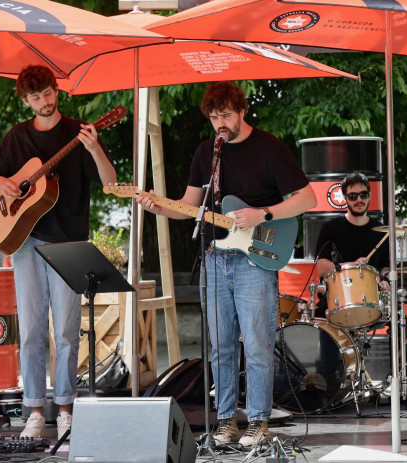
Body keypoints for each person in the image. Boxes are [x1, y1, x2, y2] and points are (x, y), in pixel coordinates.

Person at [137, 81, 316, 447]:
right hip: (215, 259)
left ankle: (258, 420)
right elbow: (189, 205)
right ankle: (224, 420)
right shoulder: (207, 153)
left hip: (255, 261)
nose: (221, 123)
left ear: (242, 111)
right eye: (215, 117)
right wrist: (158, 205)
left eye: (226, 115)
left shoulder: (269, 148)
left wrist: (262, 213)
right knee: (220, 346)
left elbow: (307, 197)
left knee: (257, 343)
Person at [0, 65, 117, 440]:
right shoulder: (17, 137)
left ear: (58, 92)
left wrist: (94, 149)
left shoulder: (79, 132)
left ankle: (67, 408)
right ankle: (36, 410)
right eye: (35, 97)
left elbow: (110, 181)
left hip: (69, 242)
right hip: (25, 243)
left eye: (49, 93)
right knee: (31, 330)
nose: (44, 102)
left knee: (68, 331)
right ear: (25, 100)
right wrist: (5, 184)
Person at [314, 172, 390, 319]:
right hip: (337, 297)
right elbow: (321, 267)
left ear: (369, 195)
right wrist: (352, 266)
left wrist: (386, 280)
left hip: (371, 298)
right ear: (345, 198)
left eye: (363, 195)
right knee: (320, 318)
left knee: (398, 316)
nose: (359, 200)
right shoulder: (331, 228)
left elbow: (385, 267)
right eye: (353, 196)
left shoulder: (381, 231)